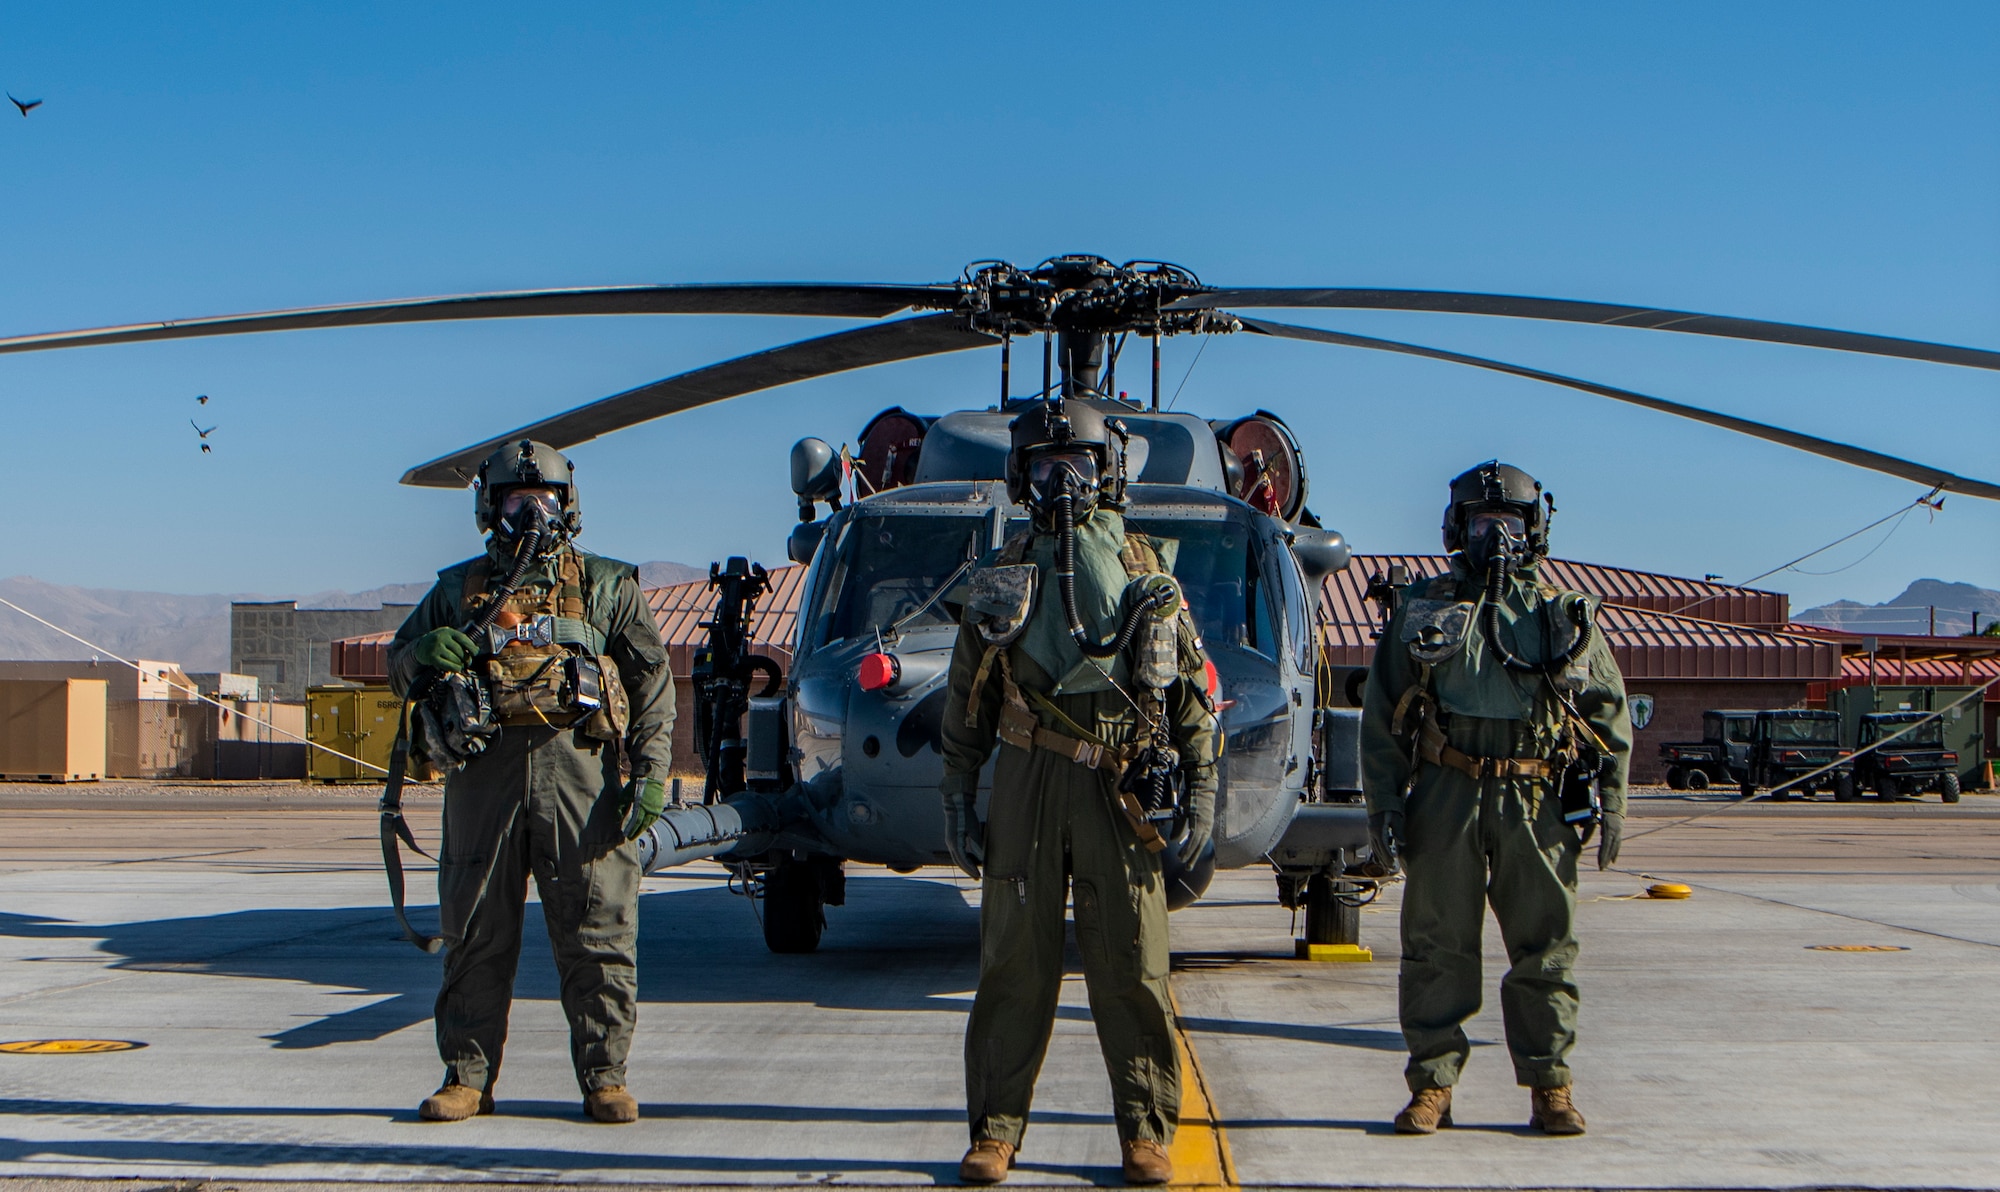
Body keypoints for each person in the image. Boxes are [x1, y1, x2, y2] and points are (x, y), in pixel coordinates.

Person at [939, 399, 1221, 1185]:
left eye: (1080, 466)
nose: (1063, 481)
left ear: (1109, 472)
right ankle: (995, 1130)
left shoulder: (1146, 573)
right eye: (1044, 467)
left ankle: (1144, 1129)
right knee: (1013, 964)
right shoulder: (1002, 580)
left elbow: (1191, 696)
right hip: (1029, 779)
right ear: (1019, 476)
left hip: (1120, 787)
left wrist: (1201, 793)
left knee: (1133, 962)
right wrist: (957, 797)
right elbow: (968, 703)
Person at [387, 439, 675, 1124]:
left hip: (582, 780)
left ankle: (605, 1076)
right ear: (491, 507)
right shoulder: (457, 589)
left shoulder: (608, 584)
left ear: (566, 504)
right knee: (477, 930)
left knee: (597, 931)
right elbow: (401, 663)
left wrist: (653, 773)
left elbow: (653, 683)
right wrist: (424, 652)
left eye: (543, 499)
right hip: (483, 781)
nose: (531, 512)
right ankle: (466, 1076)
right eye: (517, 500)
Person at [1359, 461, 1630, 1137]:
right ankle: (1432, 1086)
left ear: (1533, 530)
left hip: (1535, 796)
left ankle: (1550, 1087)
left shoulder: (1563, 616)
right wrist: (1385, 805)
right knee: (1436, 946)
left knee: (1546, 948)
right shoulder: (1422, 610)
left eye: (1508, 524)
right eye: (1483, 524)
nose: (1495, 538)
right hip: (1446, 790)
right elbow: (1381, 711)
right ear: (1458, 529)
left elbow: (1608, 713)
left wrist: (1615, 801)